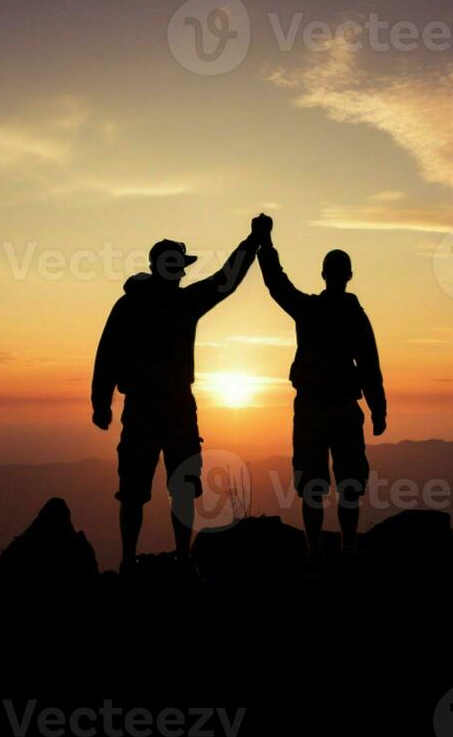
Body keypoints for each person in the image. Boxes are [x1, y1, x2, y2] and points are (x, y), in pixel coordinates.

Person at [91, 214, 271, 574]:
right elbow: (226, 279)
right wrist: (254, 241)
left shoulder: (133, 305)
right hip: (172, 407)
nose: (181, 272)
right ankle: (181, 559)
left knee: (138, 488)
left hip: (148, 406)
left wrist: (102, 404)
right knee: (178, 484)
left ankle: (134, 561)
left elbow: (107, 354)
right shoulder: (181, 302)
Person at [256, 229, 386, 558]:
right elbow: (369, 365)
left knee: (319, 485)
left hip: (317, 409)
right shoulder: (351, 315)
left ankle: (319, 553)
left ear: (324, 274)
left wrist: (266, 244)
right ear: (348, 276)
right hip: (336, 408)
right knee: (346, 484)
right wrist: (377, 410)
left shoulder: (311, 309)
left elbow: (277, 283)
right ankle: (346, 548)